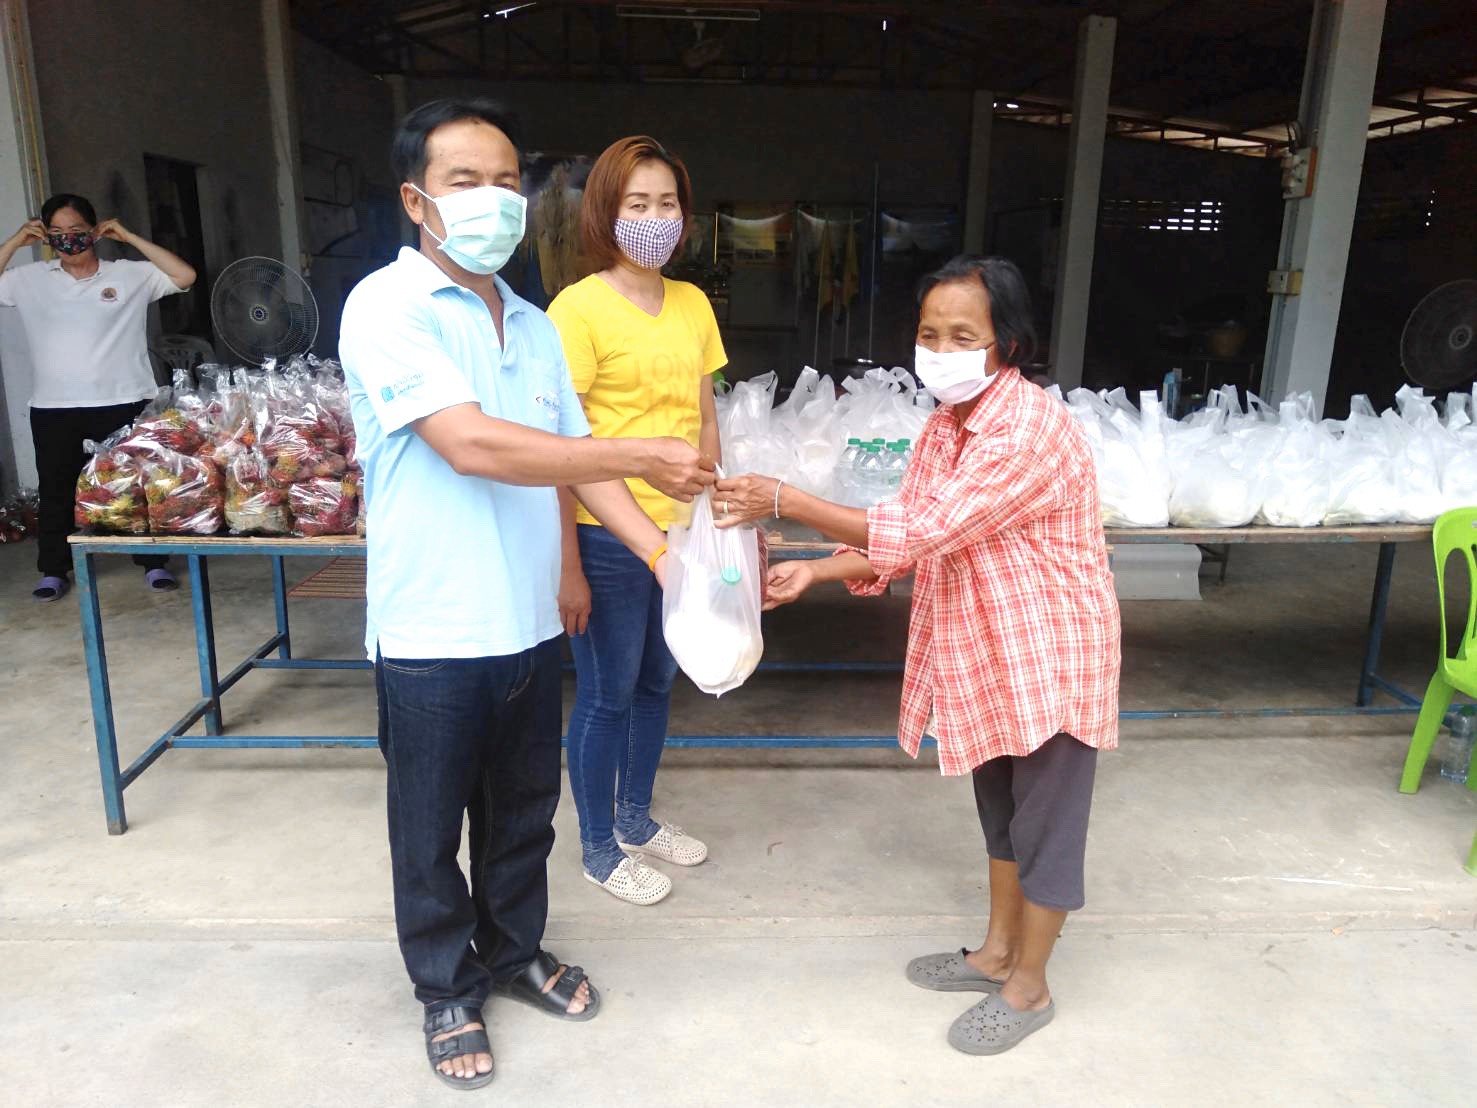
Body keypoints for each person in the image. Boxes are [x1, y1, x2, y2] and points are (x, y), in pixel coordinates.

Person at [339, 98, 713, 1091]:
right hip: (430, 629)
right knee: (429, 832)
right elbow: (471, 444)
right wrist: (637, 451)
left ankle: (513, 953)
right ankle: (445, 987)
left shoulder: (537, 326)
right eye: (465, 180)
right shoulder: (388, 306)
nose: (494, 199)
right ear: (416, 199)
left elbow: (572, 462)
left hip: (527, 624)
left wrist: (665, 560)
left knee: (522, 816)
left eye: (507, 180)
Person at [715, 255, 1121, 1056]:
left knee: (1046, 828)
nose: (939, 350)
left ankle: (1029, 986)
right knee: (1000, 814)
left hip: (1049, 654)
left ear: (1007, 343)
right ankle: (996, 953)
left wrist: (785, 500)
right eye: (929, 334)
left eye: (962, 336)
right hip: (987, 649)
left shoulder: (1025, 428)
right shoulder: (947, 425)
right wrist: (816, 570)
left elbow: (925, 530)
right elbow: (907, 528)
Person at [547, 136, 726, 906]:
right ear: (604, 214)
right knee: (606, 693)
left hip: (681, 536)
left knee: (656, 682)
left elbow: (704, 418)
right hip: (607, 538)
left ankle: (635, 819)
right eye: (637, 204)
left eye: (666, 204)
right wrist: (568, 565)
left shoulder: (692, 304)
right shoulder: (577, 310)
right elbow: (562, 449)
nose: (654, 219)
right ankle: (596, 848)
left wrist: (717, 519)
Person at [0, 194, 196, 601]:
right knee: (57, 490)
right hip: (55, 406)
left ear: (94, 231)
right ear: (45, 236)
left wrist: (129, 236)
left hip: (125, 399)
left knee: (134, 485)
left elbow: (185, 276)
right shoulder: (28, 278)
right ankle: (54, 569)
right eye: (57, 232)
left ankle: (153, 562)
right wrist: (16, 240)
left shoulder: (129, 274)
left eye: (76, 230)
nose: (67, 239)